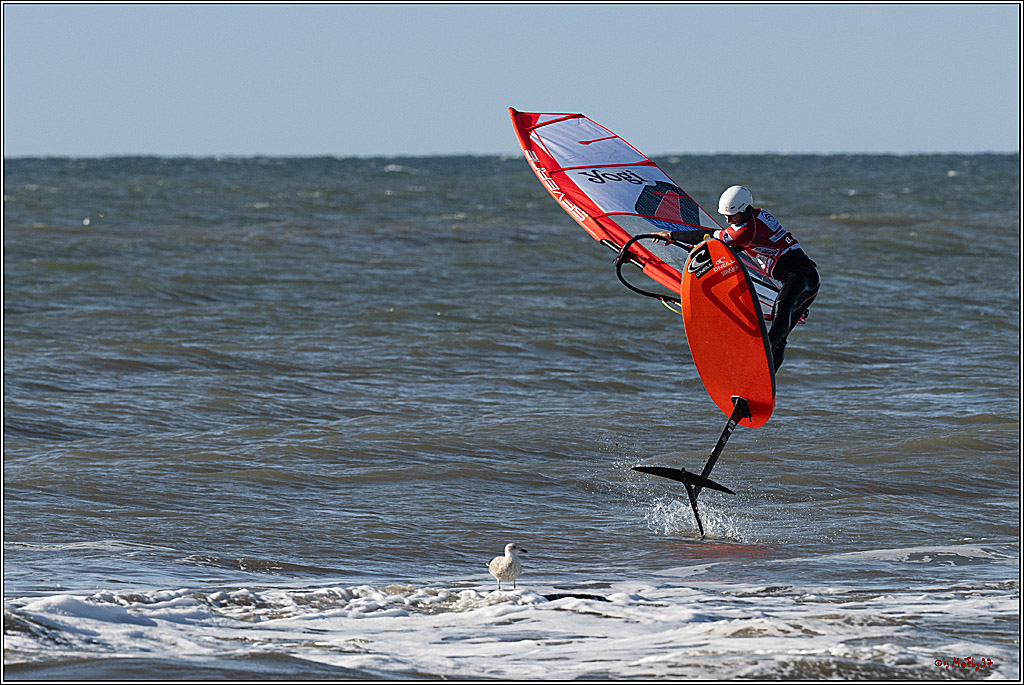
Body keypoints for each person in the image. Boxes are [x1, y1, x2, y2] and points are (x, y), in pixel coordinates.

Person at [652, 185, 819, 370]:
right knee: (781, 336)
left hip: (799, 275)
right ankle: (767, 377)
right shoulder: (760, 215)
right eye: (725, 216)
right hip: (808, 280)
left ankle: (767, 346)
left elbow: (707, 236)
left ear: (746, 210)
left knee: (781, 309)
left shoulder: (744, 230)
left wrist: (673, 235)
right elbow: (744, 245)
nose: (728, 220)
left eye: (732, 216)